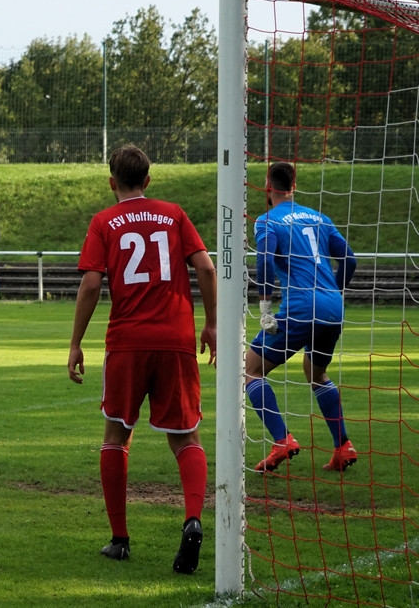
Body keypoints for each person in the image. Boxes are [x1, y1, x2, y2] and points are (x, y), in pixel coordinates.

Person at [67, 144, 217, 575]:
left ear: (111, 182)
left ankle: (119, 540)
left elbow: (91, 285)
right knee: (185, 438)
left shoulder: (104, 221)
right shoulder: (174, 214)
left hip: (128, 341)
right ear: (148, 180)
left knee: (116, 437)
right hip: (176, 339)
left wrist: (76, 343)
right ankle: (192, 519)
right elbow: (206, 268)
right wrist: (211, 324)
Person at [246, 161, 358, 474]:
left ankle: (282, 440)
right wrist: (331, 292)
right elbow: (349, 259)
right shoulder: (320, 218)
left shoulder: (268, 220)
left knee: (250, 370)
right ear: (294, 186)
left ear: (267, 186)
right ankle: (343, 446)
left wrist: (265, 308)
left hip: (300, 307)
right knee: (316, 373)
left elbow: (265, 261)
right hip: (332, 308)